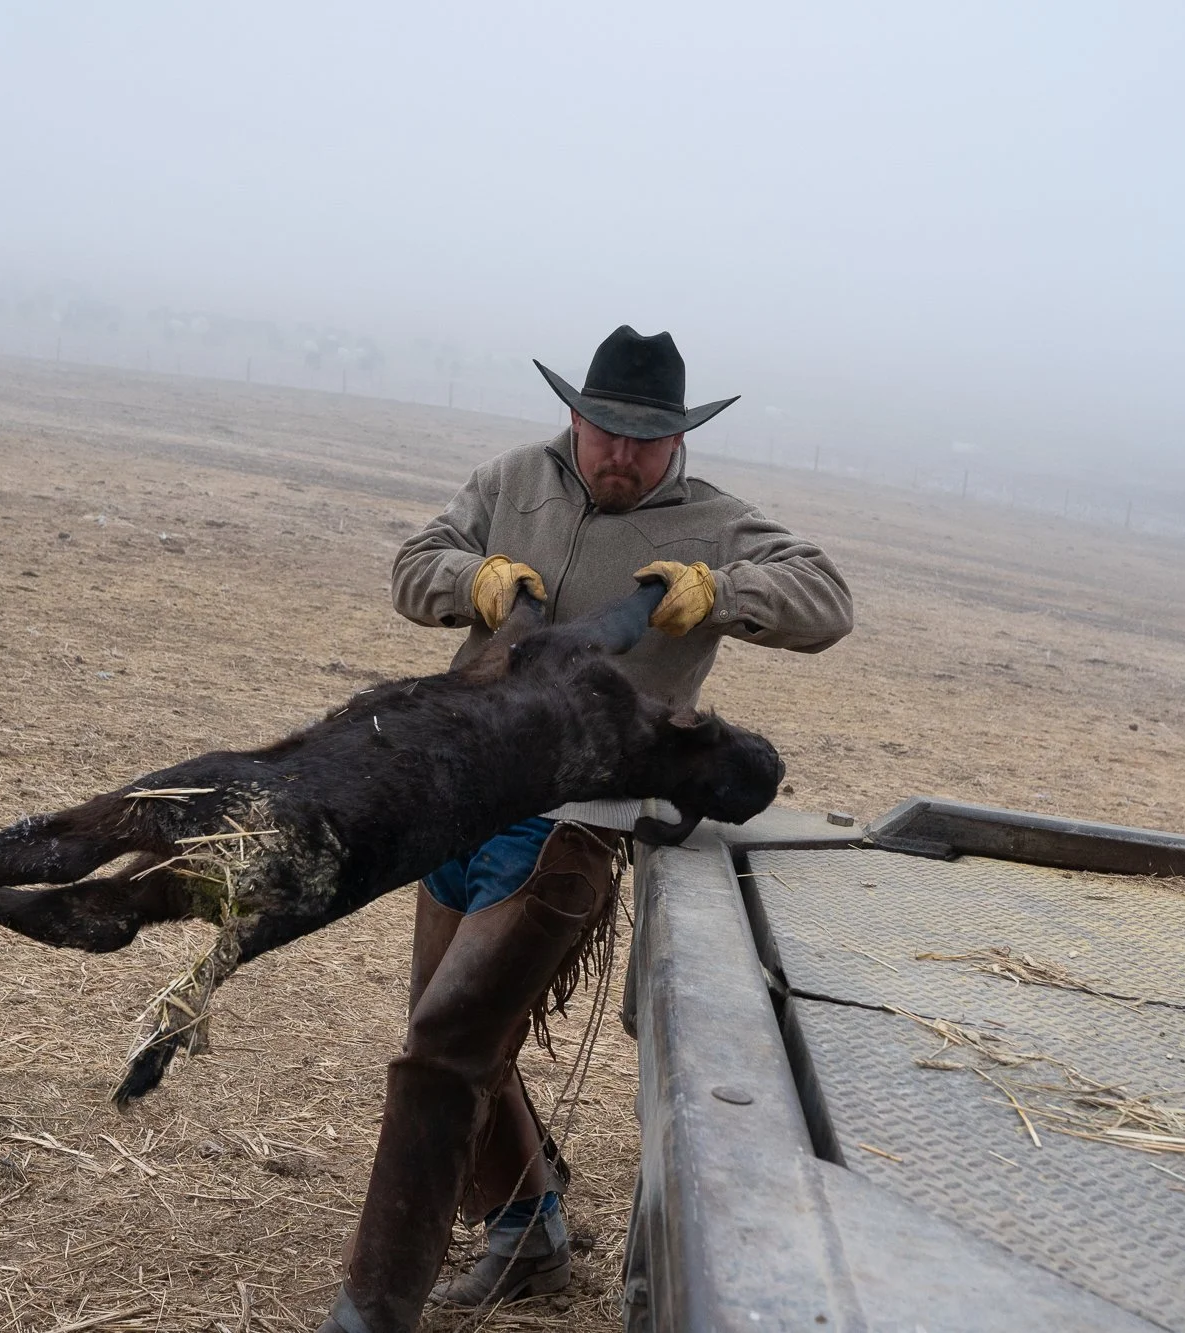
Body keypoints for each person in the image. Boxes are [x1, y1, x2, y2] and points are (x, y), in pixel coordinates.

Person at [317, 326, 854, 1333]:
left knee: (444, 1047)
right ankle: (525, 1229)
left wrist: (719, 592)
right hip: (462, 796)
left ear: (677, 442)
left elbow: (825, 598)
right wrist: (469, 583)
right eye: (605, 432)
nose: (619, 455)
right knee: (450, 1027)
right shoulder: (511, 479)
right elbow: (413, 561)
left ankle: (372, 1302)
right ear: (575, 415)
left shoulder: (715, 523)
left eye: (643, 442)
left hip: (573, 825)